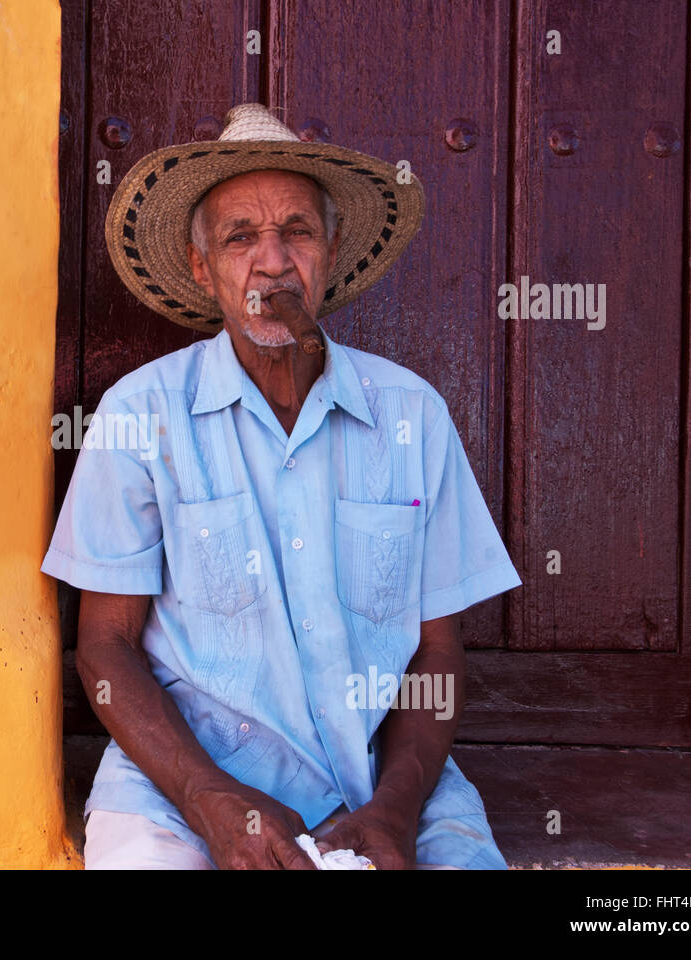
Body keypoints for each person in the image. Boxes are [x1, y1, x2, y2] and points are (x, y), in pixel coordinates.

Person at [42, 103, 521, 869]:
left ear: (329, 250)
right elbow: (105, 648)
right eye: (240, 238)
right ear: (203, 269)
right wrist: (209, 800)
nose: (271, 262)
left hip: (382, 790)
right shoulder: (141, 414)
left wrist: (394, 809)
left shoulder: (412, 416)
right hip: (178, 791)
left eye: (296, 231)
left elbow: (436, 651)